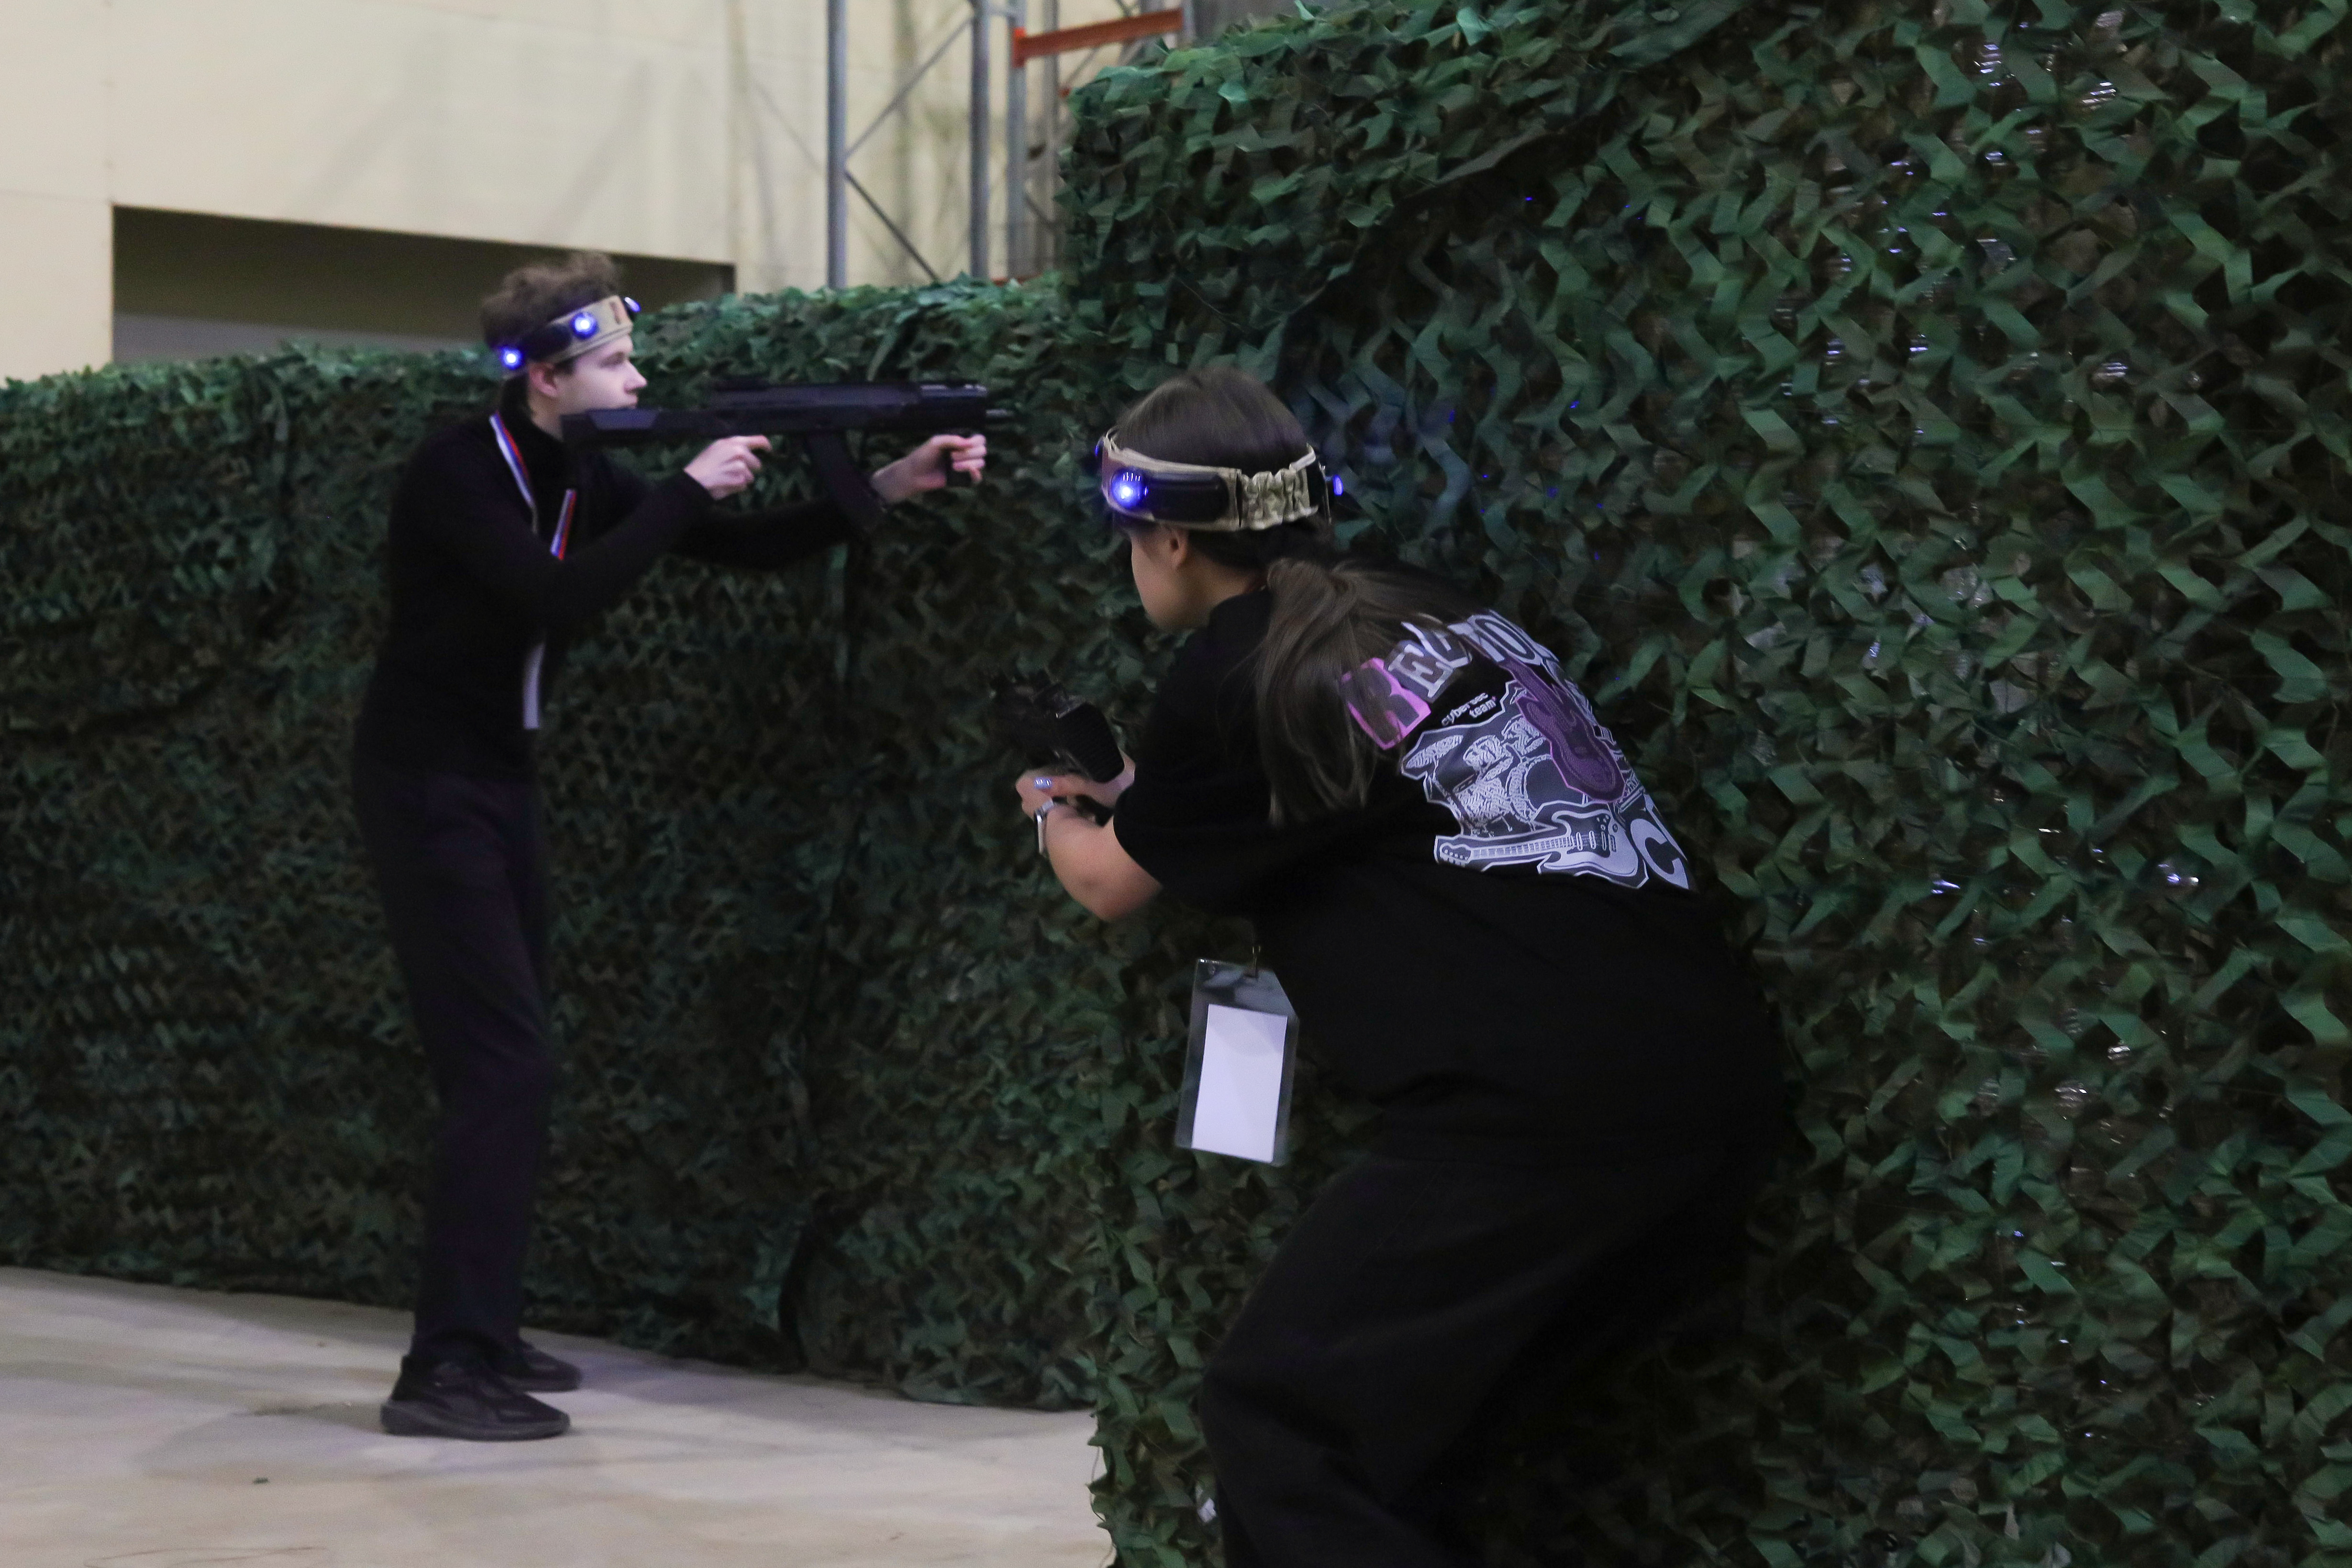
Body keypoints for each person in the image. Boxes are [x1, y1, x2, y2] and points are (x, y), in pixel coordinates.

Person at [1015, 366, 1782, 1566]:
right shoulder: (1415, 607)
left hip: (1529, 1112)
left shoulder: (1239, 668)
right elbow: (1335, 791)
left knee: (1283, 1418)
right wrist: (1136, 794)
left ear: (1167, 538)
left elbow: (1110, 882)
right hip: (1696, 1082)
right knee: (1416, 1453)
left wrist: (1049, 806)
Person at [353, 252, 985, 1442]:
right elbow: (556, 597)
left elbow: (744, 551)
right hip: (428, 787)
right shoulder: (460, 471)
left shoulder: (577, 470)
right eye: (613, 363)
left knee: (510, 1068)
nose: (638, 380)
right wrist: (687, 489)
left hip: (492, 785)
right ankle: (443, 1368)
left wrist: (888, 484)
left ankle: (483, 1332)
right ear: (546, 378)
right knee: (503, 1071)